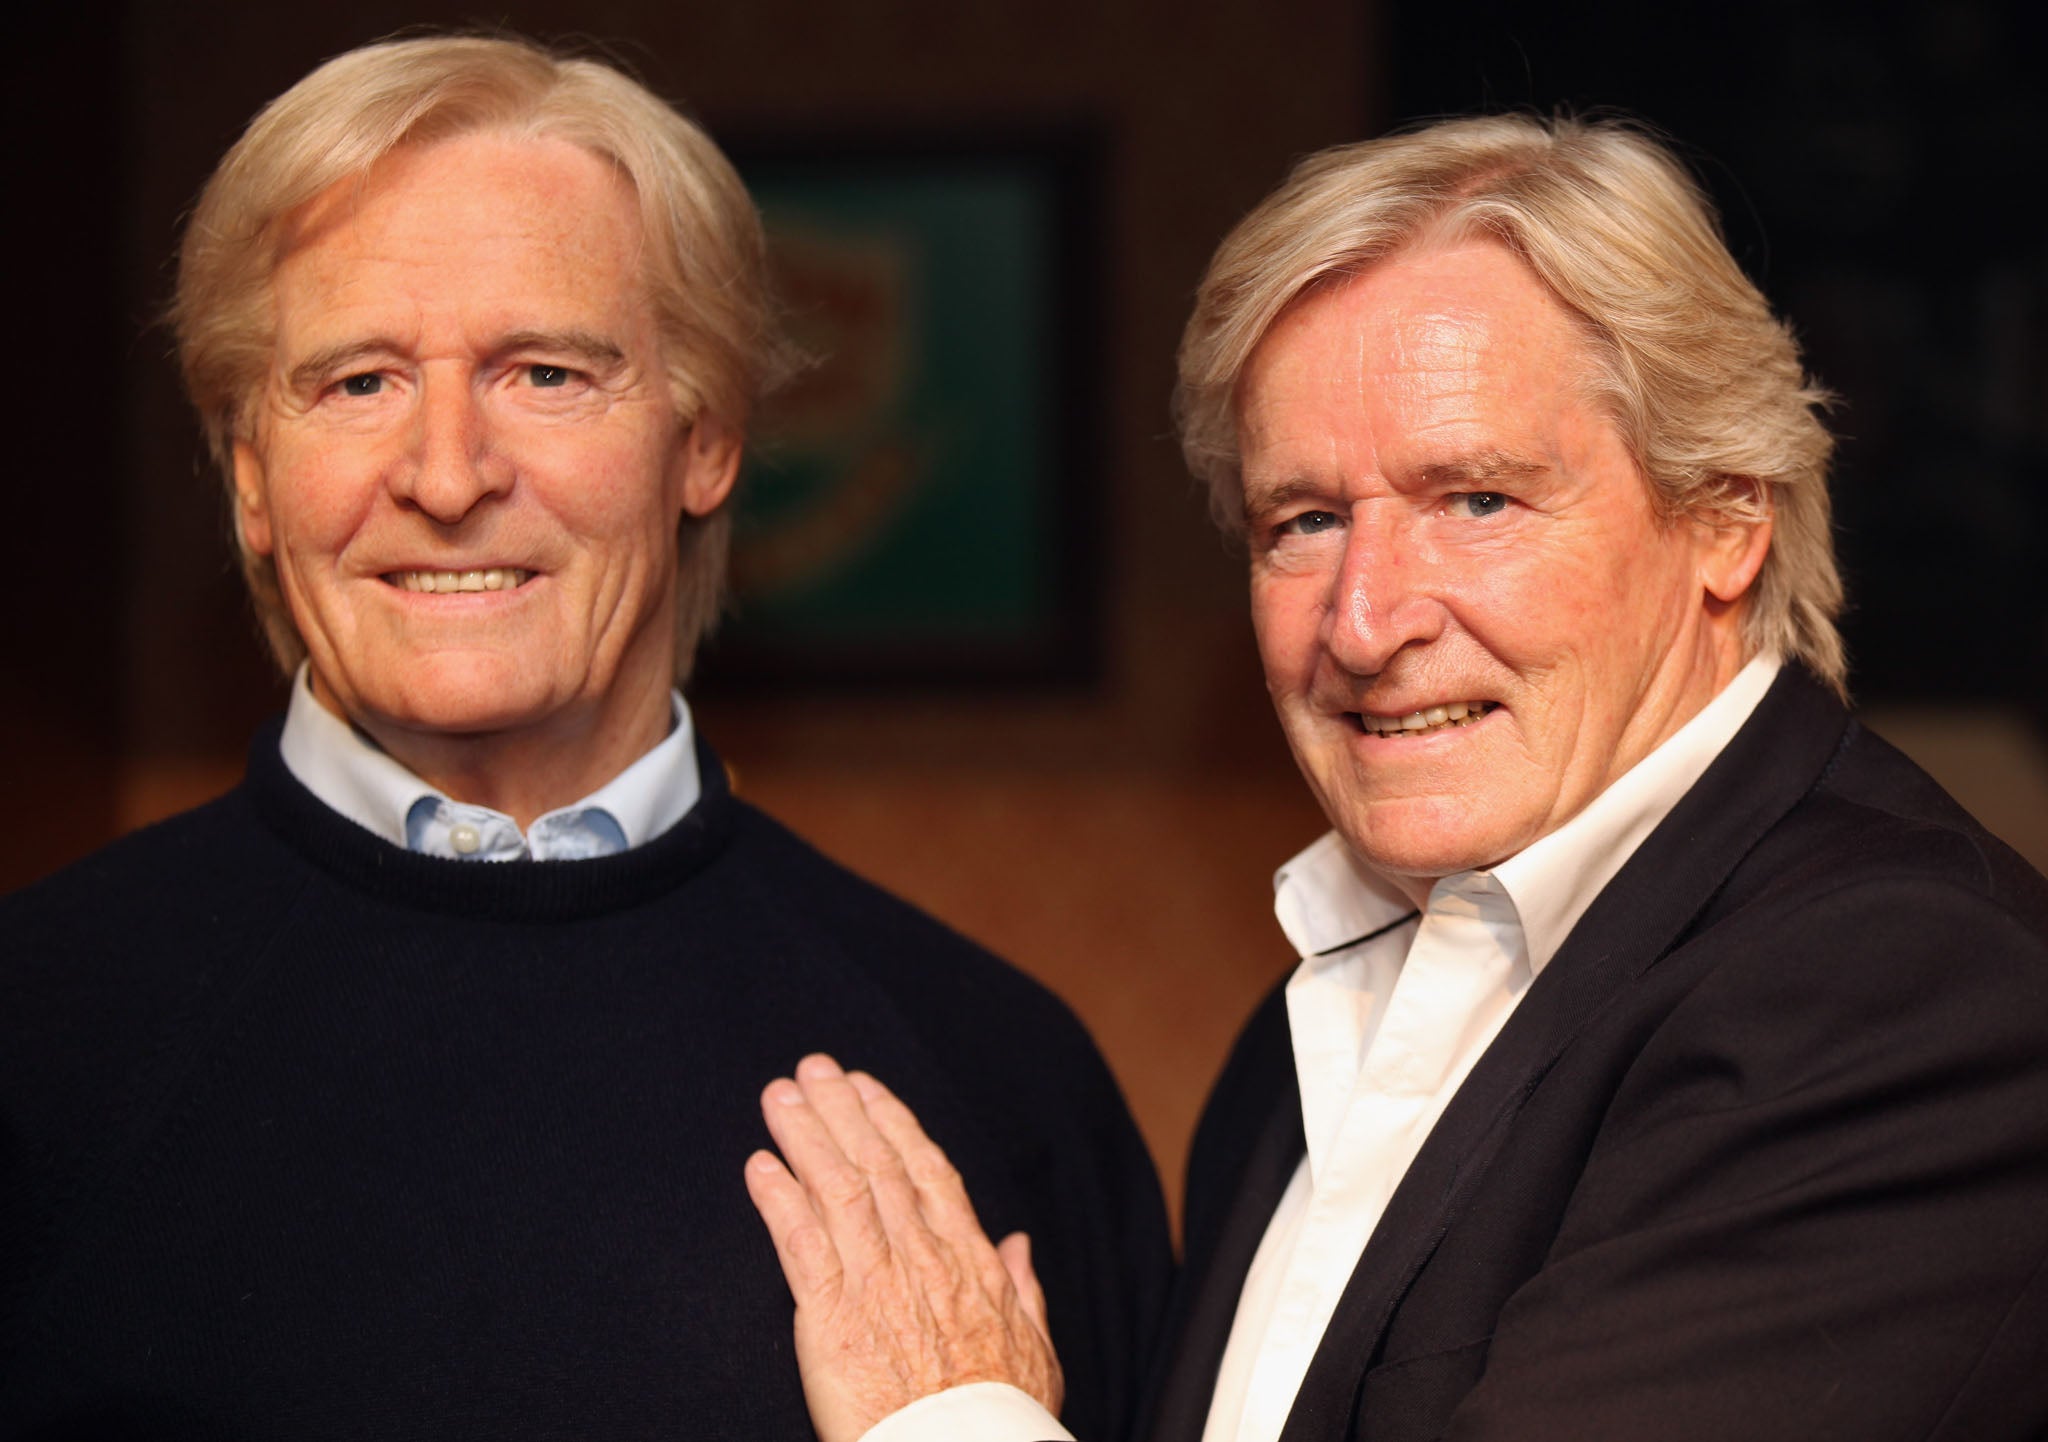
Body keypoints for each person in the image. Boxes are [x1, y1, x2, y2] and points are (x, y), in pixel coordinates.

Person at [745, 113, 2048, 1442]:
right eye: (1303, 521)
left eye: (1475, 500)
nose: (1364, 621)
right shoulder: (1310, 1031)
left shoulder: (1903, 989)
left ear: (1723, 517)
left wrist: (949, 1415)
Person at [0, 34, 1169, 1440]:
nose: (446, 473)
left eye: (544, 373)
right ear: (252, 475)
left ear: (706, 439)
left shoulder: (992, 1068)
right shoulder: (35, 1034)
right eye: (358, 381)